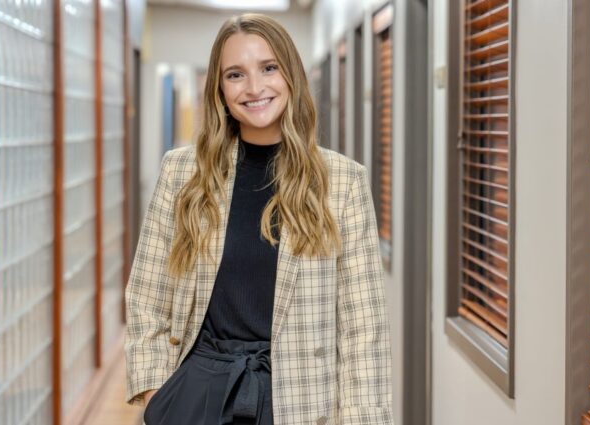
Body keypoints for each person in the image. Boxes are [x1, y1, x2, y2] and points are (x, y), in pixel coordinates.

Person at [124, 12, 393, 425]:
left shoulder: (342, 182)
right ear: (220, 89)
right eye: (235, 75)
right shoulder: (182, 172)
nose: (254, 88)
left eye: (269, 68)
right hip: (199, 393)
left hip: (299, 400)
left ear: (291, 75)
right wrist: (156, 394)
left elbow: (363, 329)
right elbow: (147, 294)